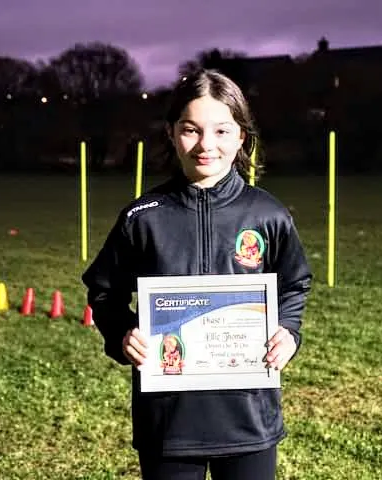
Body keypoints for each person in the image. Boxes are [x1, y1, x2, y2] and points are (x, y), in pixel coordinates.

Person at [81, 69, 313, 480]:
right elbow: (104, 291)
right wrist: (122, 334)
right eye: (191, 130)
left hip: (248, 420)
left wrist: (289, 332)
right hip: (169, 424)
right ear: (171, 134)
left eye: (222, 131)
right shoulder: (142, 218)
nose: (206, 144)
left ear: (242, 137)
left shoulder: (268, 214)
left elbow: (294, 283)